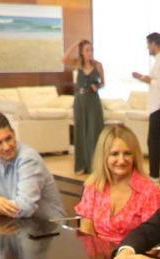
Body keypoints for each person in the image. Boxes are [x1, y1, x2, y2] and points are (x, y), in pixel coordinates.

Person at [0, 112, 65, 223]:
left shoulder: (28, 159)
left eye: (8, 138)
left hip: (50, 226)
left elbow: (24, 208)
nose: (6, 147)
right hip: (20, 223)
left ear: (14, 133)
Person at [74, 124, 160, 244]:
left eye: (127, 153)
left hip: (134, 254)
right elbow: (86, 229)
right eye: (115, 154)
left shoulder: (150, 192)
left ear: (134, 156)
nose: (121, 160)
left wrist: (123, 253)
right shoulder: (93, 185)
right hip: (98, 254)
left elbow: (152, 242)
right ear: (104, 156)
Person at [131, 32, 160, 178]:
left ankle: (154, 174)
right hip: (158, 106)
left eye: (148, 45)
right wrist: (143, 77)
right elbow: (158, 80)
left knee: (154, 142)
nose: (147, 48)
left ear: (154, 44)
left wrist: (148, 80)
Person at [63, 40, 105, 175]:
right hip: (80, 100)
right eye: (87, 50)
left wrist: (97, 86)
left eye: (91, 50)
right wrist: (75, 44)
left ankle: (95, 166)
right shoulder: (77, 64)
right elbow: (64, 59)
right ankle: (81, 165)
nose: (90, 53)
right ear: (81, 52)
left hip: (93, 100)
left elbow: (103, 83)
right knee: (80, 131)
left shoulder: (98, 65)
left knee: (94, 132)